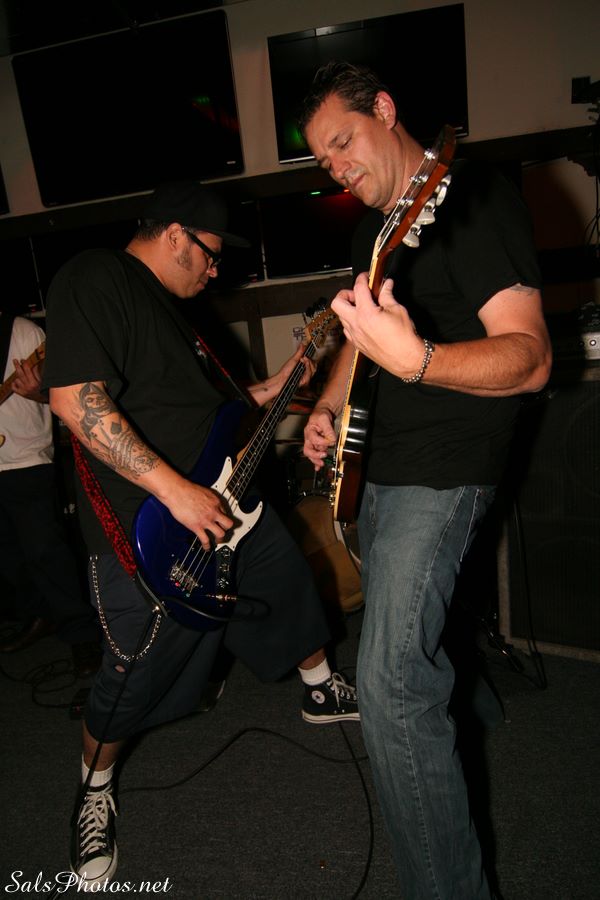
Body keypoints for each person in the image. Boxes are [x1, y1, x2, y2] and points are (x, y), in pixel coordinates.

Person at [41, 180, 359, 890]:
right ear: (175, 235)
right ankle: (93, 791)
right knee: (132, 671)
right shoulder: (96, 276)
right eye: (210, 254)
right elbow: (74, 399)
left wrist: (281, 382)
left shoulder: (178, 315)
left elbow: (218, 409)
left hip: (226, 503)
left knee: (286, 582)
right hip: (150, 523)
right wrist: (176, 491)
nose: (216, 270)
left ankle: (318, 687)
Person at [298, 62, 552, 900]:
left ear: (385, 109)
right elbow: (358, 341)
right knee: (411, 643)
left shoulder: (471, 199)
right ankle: (470, 705)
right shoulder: (375, 234)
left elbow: (530, 357)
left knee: (390, 685)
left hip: (445, 473)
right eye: (324, 161)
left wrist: (420, 360)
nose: (337, 168)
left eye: (343, 142)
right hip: (379, 469)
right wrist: (328, 406)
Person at [0, 311, 102, 677]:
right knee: (9, 555)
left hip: (26, 458)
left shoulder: (23, 332)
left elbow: (63, 392)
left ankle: (82, 633)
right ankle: (39, 615)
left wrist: (36, 392)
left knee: (46, 551)